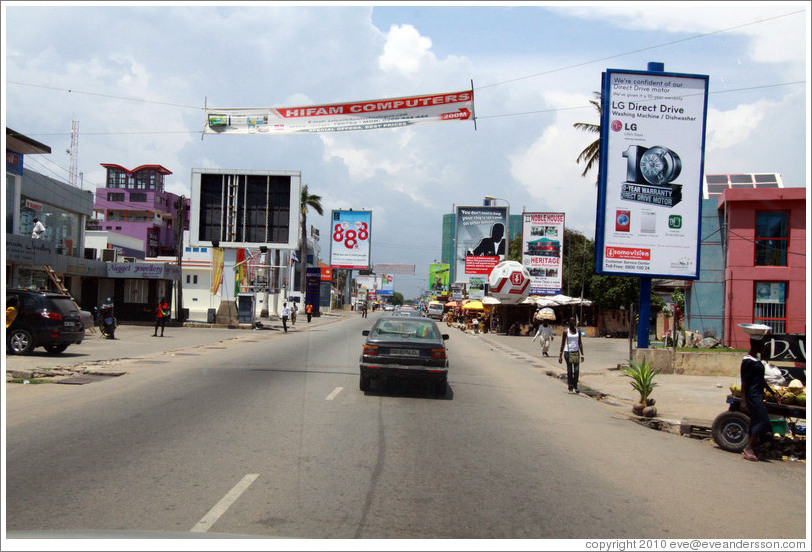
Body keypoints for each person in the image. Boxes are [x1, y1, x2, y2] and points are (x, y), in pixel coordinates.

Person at [740, 330, 771, 462]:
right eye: (762, 345)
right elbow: (744, 381)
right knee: (763, 420)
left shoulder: (756, 360)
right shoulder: (748, 361)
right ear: (756, 345)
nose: (764, 347)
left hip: (758, 393)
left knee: (758, 420)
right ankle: (749, 447)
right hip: (752, 395)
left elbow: (760, 379)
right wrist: (743, 400)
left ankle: (754, 445)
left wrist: (772, 392)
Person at [558, 317, 584, 393]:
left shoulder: (578, 331)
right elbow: (562, 343)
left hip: (576, 352)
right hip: (567, 352)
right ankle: (570, 386)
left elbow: (580, 342)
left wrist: (582, 354)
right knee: (569, 370)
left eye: (574, 321)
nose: (573, 322)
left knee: (576, 370)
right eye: (572, 321)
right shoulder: (566, 331)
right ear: (569, 322)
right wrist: (560, 355)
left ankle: (575, 385)